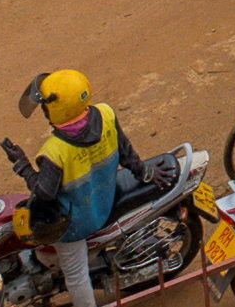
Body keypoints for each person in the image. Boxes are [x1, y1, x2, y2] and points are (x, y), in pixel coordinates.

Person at [29, 67, 155, 307]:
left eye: (45, 107)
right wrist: (144, 171)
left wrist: (22, 167)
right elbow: (127, 152)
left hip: (76, 223)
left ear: (54, 109)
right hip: (104, 200)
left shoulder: (54, 151)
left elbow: (44, 194)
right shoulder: (105, 114)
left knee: (76, 276)